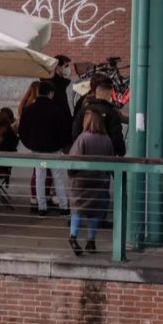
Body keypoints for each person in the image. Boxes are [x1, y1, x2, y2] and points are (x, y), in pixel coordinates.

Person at [18, 79, 71, 216]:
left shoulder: (29, 110)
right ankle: (64, 206)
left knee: (39, 177)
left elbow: (22, 131)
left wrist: (30, 144)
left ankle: (42, 207)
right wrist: (61, 145)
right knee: (58, 177)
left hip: (37, 150)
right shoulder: (56, 110)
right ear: (51, 93)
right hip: (54, 150)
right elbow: (64, 131)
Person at [67, 110, 116, 256]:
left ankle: (73, 237)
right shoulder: (107, 140)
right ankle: (91, 241)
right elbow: (112, 161)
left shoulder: (82, 139)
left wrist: (72, 175)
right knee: (95, 211)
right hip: (100, 181)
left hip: (81, 181)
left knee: (77, 208)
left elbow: (73, 161)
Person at [72, 80, 126, 156]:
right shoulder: (112, 113)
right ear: (108, 94)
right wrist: (121, 152)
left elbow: (75, 133)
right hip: (106, 158)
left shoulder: (83, 110)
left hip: (84, 159)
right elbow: (116, 138)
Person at [44, 54, 73, 127]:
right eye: (66, 66)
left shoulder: (60, 83)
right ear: (57, 67)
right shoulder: (52, 84)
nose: (68, 68)